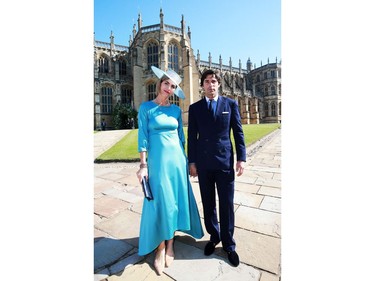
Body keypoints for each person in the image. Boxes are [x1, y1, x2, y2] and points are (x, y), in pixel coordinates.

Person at [136, 66, 204, 275]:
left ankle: (171, 243)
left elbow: (181, 139)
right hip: (157, 164)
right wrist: (143, 165)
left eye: (173, 86)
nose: (169, 88)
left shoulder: (175, 110)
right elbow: (143, 138)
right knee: (161, 202)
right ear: (160, 84)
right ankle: (160, 247)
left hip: (176, 161)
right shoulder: (146, 108)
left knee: (174, 201)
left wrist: (188, 162)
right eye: (166, 83)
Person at [187, 69, 246, 267]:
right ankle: (214, 237)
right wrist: (192, 162)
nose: (210, 85)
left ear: (218, 84)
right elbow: (192, 138)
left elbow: (238, 132)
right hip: (203, 163)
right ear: (202, 85)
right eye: (207, 81)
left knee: (227, 204)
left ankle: (229, 244)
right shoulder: (195, 108)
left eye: (213, 81)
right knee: (208, 202)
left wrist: (241, 158)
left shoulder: (230, 104)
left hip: (224, 162)